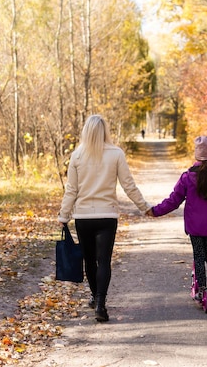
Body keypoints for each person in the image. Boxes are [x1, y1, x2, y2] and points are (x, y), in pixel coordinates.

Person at [58, 114, 151, 322]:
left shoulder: (77, 155)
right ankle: (100, 302)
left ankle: (94, 296)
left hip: (83, 217)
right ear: (105, 132)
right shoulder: (116, 153)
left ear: (86, 132)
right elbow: (129, 186)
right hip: (107, 216)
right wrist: (145, 208)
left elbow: (71, 190)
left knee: (89, 261)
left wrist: (64, 215)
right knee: (104, 261)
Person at [147, 135, 207, 304]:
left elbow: (174, 200)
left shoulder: (187, 176)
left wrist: (155, 211)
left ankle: (200, 290)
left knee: (199, 257)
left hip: (195, 227)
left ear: (196, 153)